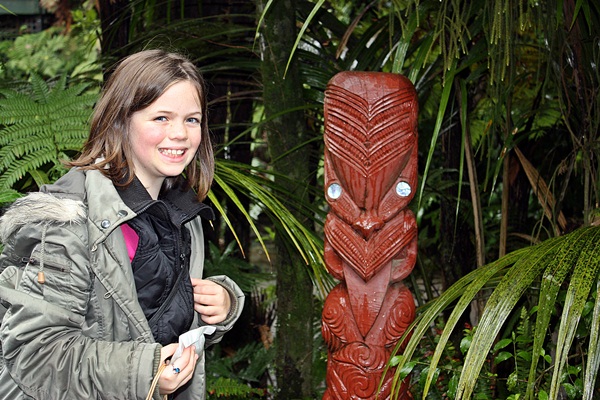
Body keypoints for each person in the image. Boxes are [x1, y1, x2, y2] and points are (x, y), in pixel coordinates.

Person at [0, 49, 244, 400]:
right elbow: (36, 353)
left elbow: (154, 318)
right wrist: (145, 372)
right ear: (120, 120)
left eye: (192, 119)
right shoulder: (70, 222)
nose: (179, 133)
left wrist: (221, 305)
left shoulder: (182, 215)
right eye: (161, 117)